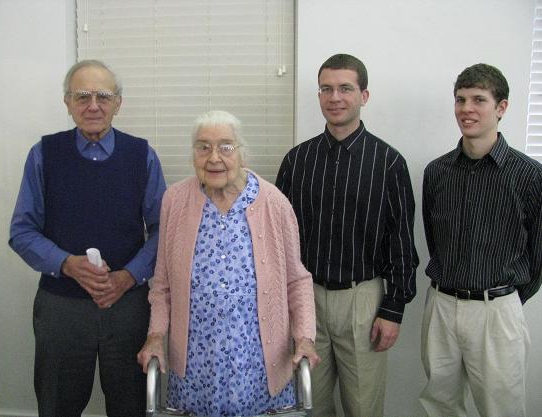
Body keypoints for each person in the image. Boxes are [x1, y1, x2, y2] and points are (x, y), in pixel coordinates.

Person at [8, 59, 167, 417]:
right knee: (57, 405)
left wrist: (127, 277)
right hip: (61, 306)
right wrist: (67, 264)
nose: (93, 105)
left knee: (131, 406)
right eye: (82, 96)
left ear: (118, 103)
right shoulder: (43, 154)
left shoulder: (142, 155)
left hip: (128, 307)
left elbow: (163, 230)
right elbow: (21, 231)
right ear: (67, 102)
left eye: (103, 96)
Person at [137, 110, 320, 417]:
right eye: (203, 147)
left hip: (259, 364)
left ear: (242, 153)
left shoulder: (274, 202)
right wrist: (155, 336)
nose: (213, 157)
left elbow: (297, 282)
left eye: (225, 146)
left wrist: (305, 339)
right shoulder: (175, 200)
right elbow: (163, 285)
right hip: (196, 365)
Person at [276, 53, 419, 417]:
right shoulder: (297, 160)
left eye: (345, 88)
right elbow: (279, 240)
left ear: (364, 96)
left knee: (363, 406)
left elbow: (401, 242)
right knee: (312, 403)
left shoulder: (388, 162)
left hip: (363, 302)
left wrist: (393, 309)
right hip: (307, 299)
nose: (334, 97)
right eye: (326, 88)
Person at [420, 63, 542, 417]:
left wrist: (503, 297)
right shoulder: (437, 172)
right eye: (460, 99)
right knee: (439, 404)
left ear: (501, 108)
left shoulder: (529, 176)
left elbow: (537, 257)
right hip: (442, 306)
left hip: (497, 311)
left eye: (479, 99)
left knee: (500, 408)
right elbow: (434, 237)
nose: (466, 109)